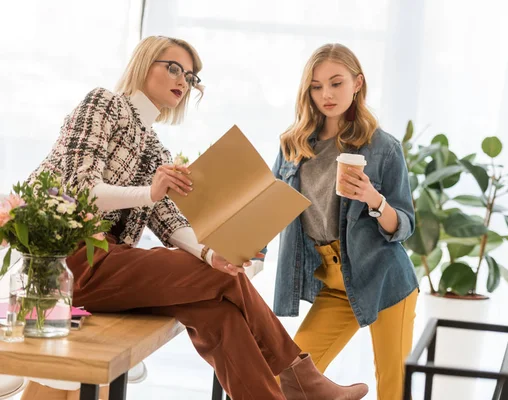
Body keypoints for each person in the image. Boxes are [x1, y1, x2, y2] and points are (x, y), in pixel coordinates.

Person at [20, 36, 368, 400]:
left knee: (221, 318)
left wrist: (210, 254)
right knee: (219, 283)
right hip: (64, 264)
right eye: (173, 68)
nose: (182, 81)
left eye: (189, 76)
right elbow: (80, 188)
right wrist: (149, 193)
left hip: (109, 269)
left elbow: (170, 222)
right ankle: (301, 377)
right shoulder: (104, 104)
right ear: (144, 63)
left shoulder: (154, 146)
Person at [272, 43, 419, 399]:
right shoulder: (293, 145)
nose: (327, 94)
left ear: (357, 84)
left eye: (336, 83)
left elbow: (404, 224)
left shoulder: (382, 147)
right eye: (317, 86)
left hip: (384, 279)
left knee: (392, 388)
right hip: (334, 285)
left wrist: (374, 199)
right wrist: (251, 253)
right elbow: (270, 205)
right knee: (285, 380)